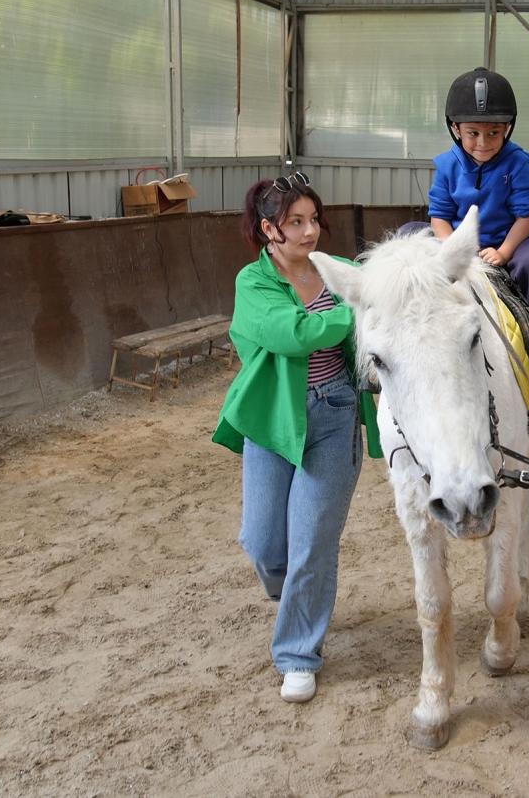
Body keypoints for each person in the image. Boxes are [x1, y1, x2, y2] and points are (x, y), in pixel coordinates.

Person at [212, 172, 381, 704]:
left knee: (311, 542)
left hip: (335, 414)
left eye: (314, 220)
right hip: (273, 421)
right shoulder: (253, 283)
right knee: (262, 542)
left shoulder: (341, 271)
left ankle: (297, 654)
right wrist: (350, 309)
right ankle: (299, 599)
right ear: (268, 230)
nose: (311, 233)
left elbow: (385, 299)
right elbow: (293, 334)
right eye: (296, 223)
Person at [427, 66, 529, 369]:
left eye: (494, 133)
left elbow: (526, 217)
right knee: (407, 236)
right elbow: (439, 216)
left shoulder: (520, 163)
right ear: (455, 128)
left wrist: (504, 251)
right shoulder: (445, 165)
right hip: (456, 241)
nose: (483, 142)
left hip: (510, 241)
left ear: (507, 127)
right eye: (473, 133)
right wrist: (452, 248)